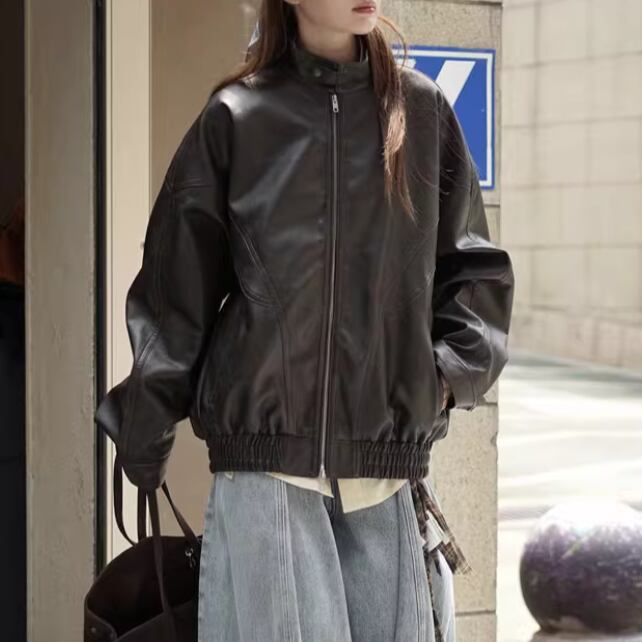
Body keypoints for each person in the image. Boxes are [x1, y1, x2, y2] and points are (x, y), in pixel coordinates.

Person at [95, 1, 515, 640]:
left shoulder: (421, 111)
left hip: (384, 477)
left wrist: (438, 383)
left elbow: (476, 276)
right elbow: (176, 289)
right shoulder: (238, 117)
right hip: (267, 478)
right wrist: (144, 425)